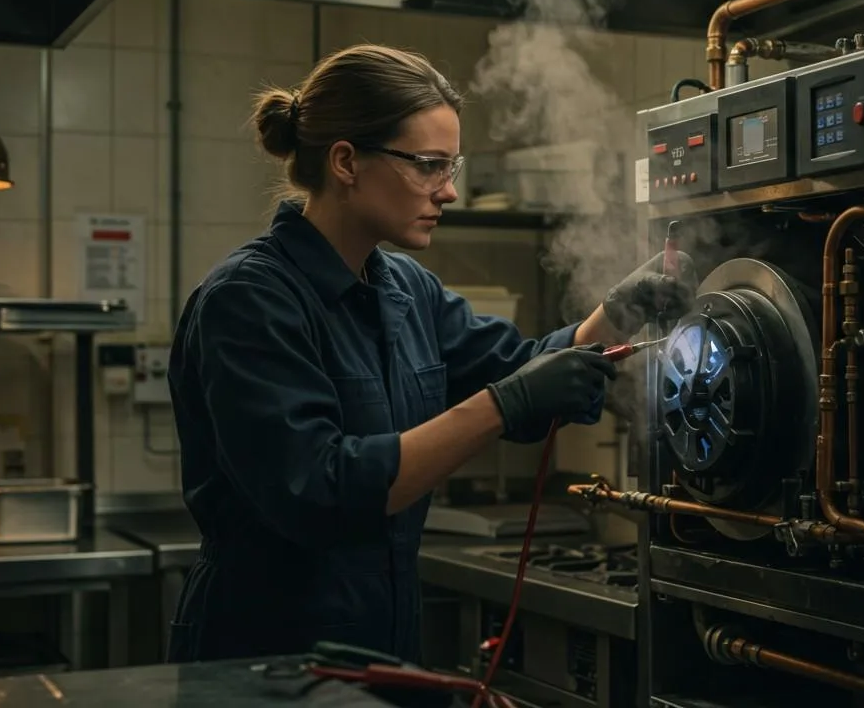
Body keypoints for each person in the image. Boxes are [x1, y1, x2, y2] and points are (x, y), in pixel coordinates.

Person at [165, 44, 696, 664]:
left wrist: (616, 312)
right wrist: (504, 404)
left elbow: (516, 371)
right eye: (428, 165)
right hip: (262, 658)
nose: (448, 191)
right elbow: (320, 489)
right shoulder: (250, 300)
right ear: (346, 162)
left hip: (380, 652)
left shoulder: (404, 288)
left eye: (452, 166)